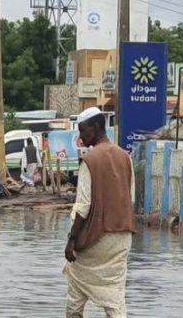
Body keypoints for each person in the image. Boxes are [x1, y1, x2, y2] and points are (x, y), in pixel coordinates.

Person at [63, 107, 136, 318]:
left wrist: (71, 240)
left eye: (83, 131)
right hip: (122, 237)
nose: (81, 137)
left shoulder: (90, 161)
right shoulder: (125, 158)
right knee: (115, 297)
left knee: (76, 292)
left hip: (97, 238)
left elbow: (83, 207)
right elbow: (129, 199)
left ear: (95, 128)